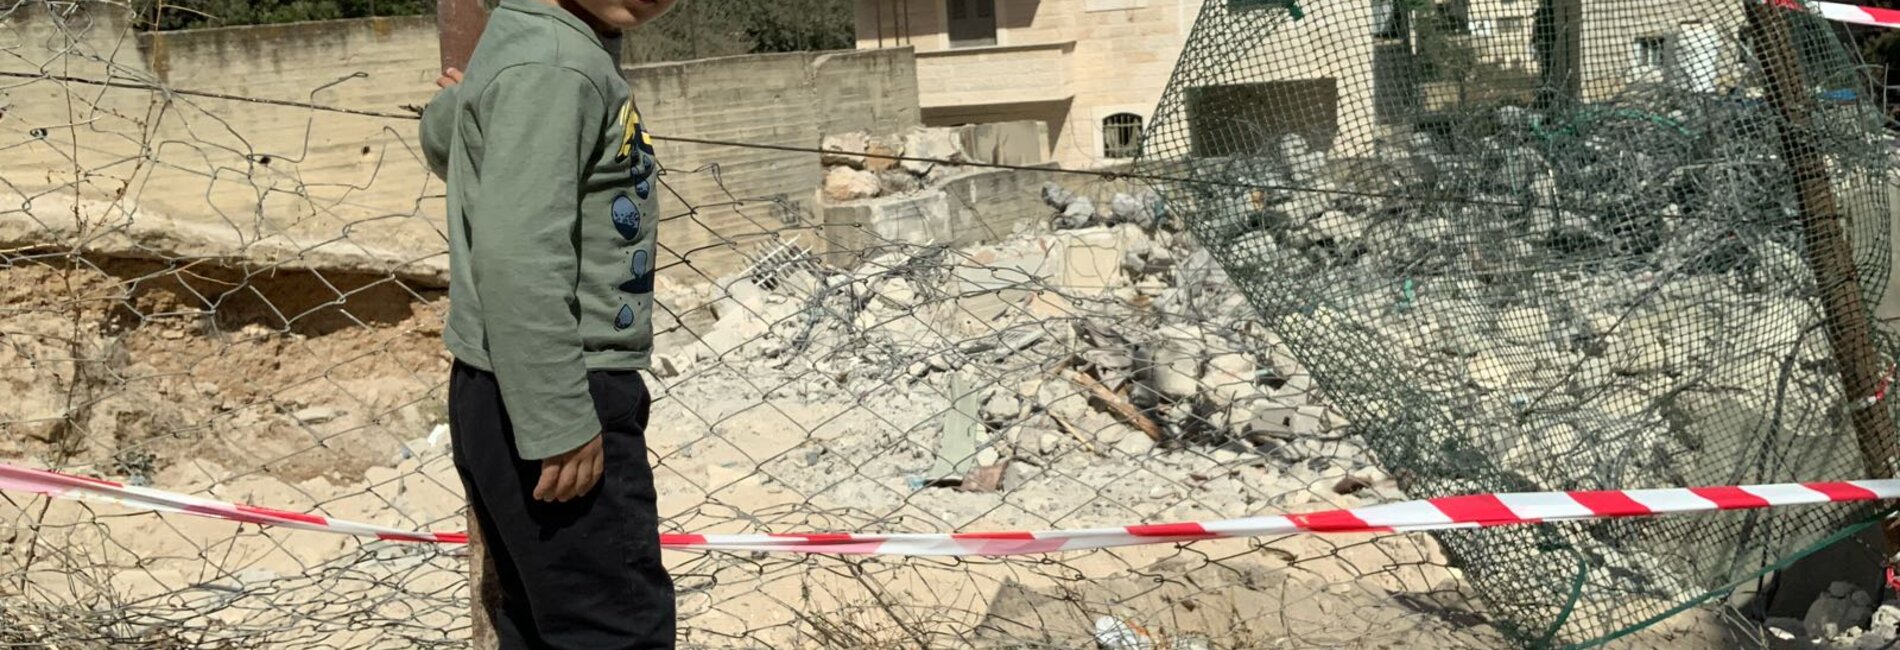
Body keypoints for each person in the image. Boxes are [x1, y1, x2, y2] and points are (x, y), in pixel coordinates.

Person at [419, 1, 679, 647]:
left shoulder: (536, 42)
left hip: (512, 381)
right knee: (613, 628)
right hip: (560, 385)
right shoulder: (555, 66)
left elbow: (448, 145)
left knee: (544, 621)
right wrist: (558, 419)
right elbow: (520, 259)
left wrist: (464, 102)